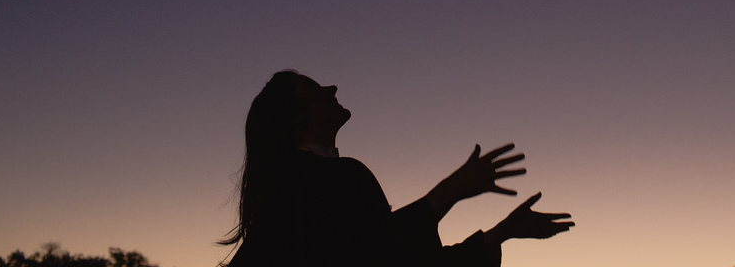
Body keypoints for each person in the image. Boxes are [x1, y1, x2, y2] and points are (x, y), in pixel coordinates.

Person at [220, 70, 574, 267]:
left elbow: (382, 249)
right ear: (298, 121)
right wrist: (454, 191)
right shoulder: (329, 179)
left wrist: (499, 231)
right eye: (313, 89)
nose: (332, 87)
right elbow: (390, 255)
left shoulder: (291, 194)